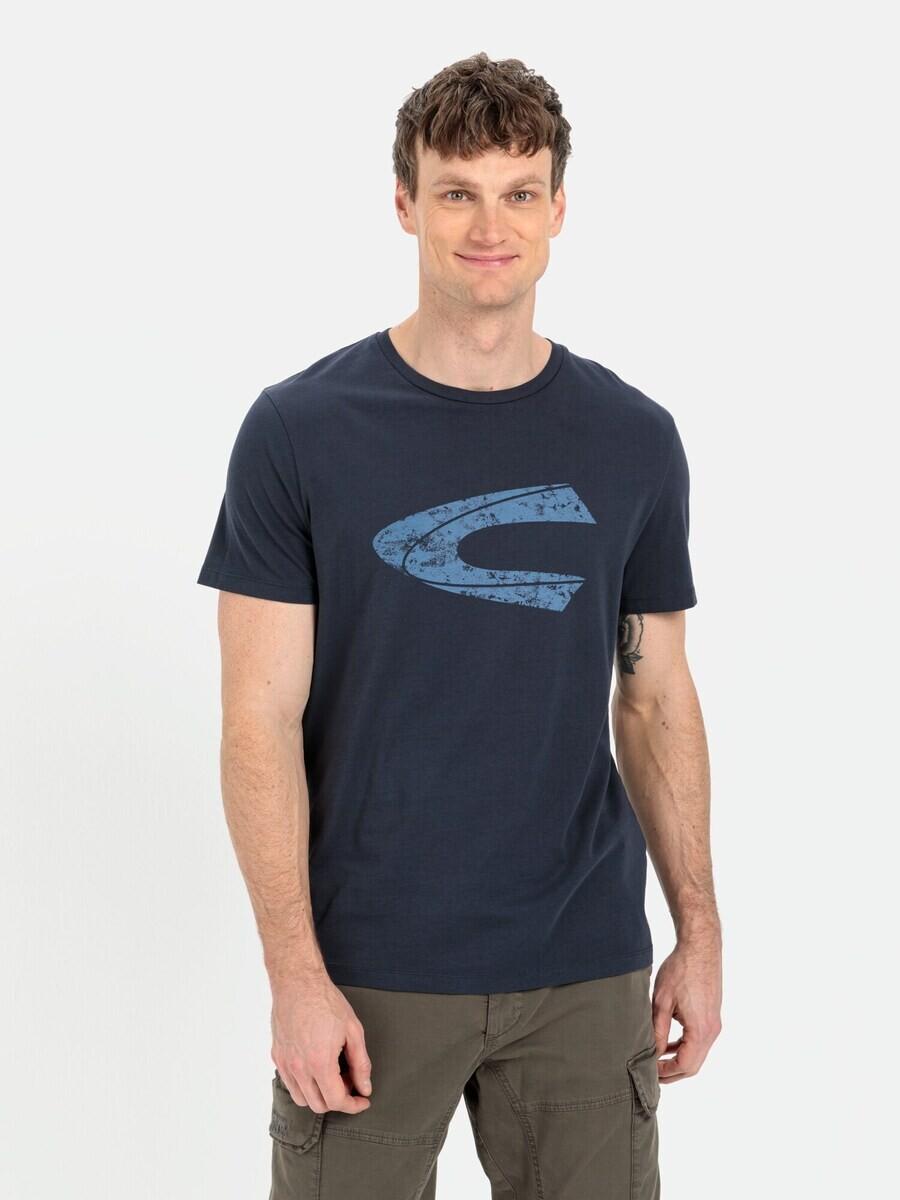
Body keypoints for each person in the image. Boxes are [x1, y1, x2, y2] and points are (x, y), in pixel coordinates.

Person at [197, 51, 722, 1200]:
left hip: (584, 966)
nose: (491, 226)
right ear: (405, 203)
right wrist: (294, 976)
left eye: (519, 192)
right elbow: (256, 721)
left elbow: (655, 698)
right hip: (371, 972)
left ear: (558, 208)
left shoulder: (633, 440)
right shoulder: (300, 432)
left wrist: (699, 930)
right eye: (458, 192)